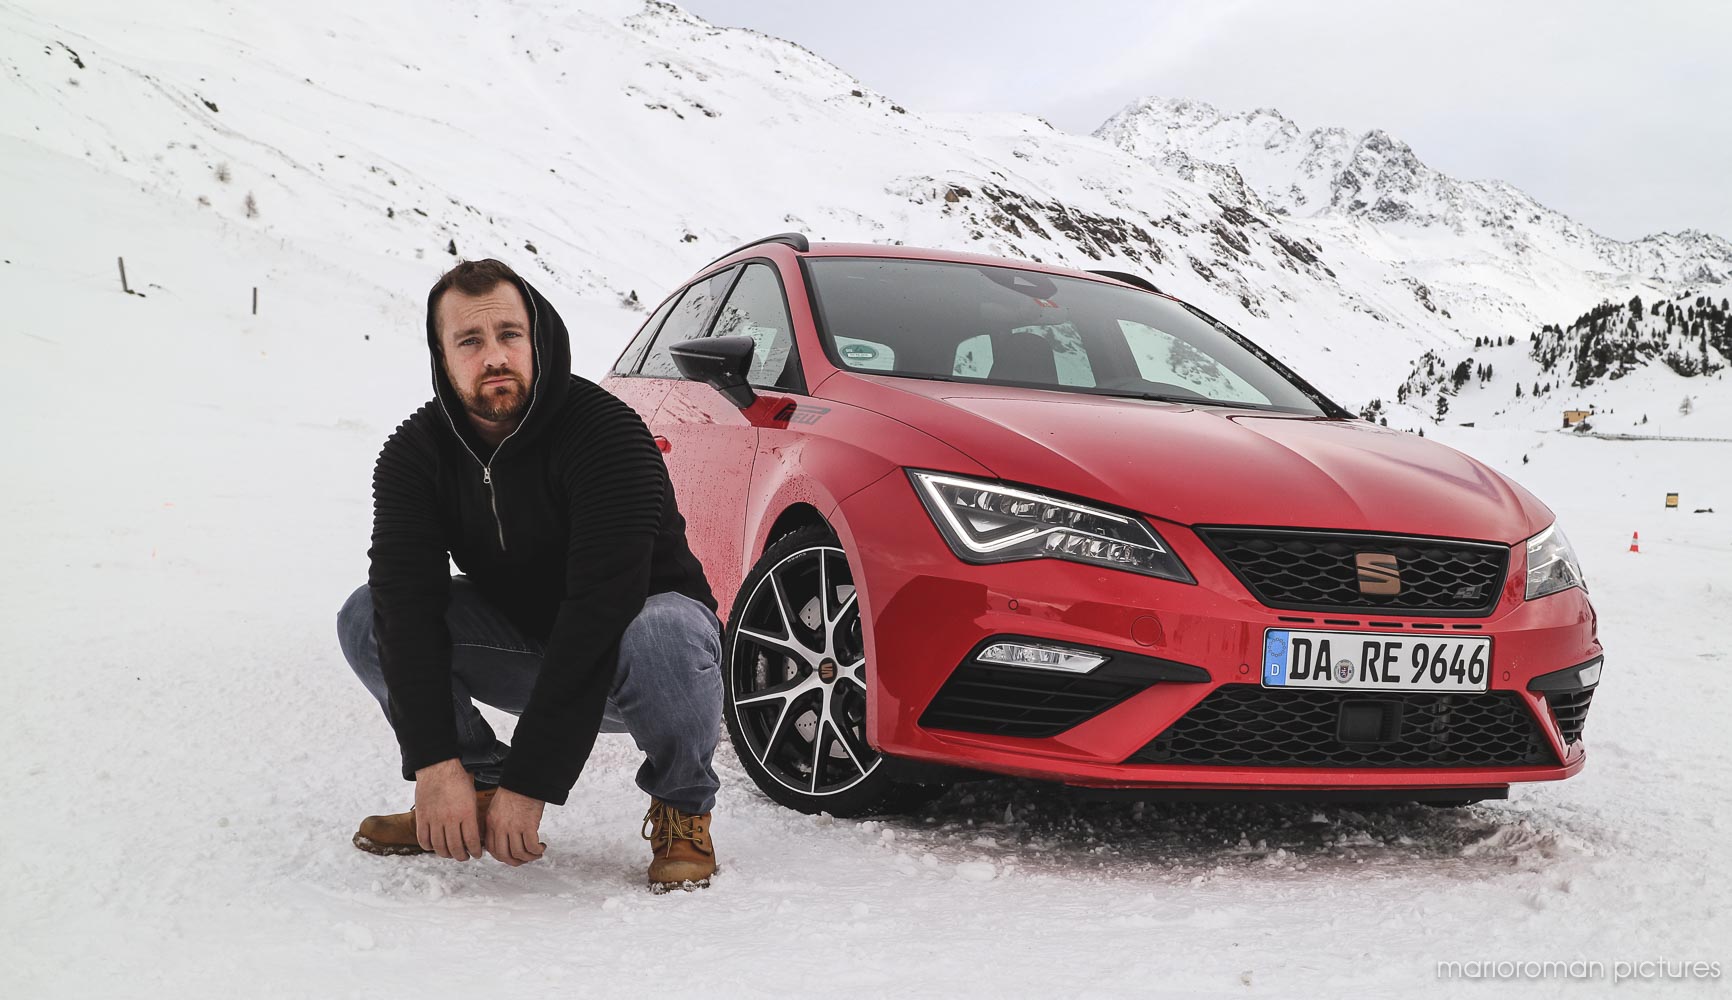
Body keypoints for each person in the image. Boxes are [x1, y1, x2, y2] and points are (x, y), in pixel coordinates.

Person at [336, 258, 724, 890]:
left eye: (509, 335)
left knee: (664, 626)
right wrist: (436, 763)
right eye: (470, 340)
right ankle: (477, 784)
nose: (494, 356)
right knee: (366, 615)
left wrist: (534, 782)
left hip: (644, 660)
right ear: (441, 355)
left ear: (537, 338)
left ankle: (683, 806)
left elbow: (601, 610)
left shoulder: (607, 434)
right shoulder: (415, 455)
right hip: (525, 646)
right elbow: (406, 603)